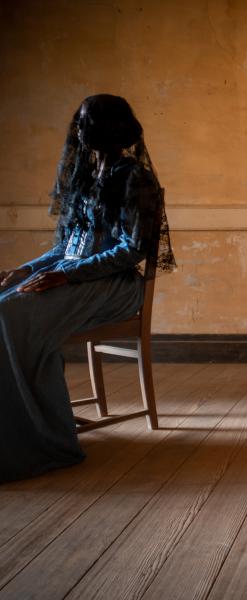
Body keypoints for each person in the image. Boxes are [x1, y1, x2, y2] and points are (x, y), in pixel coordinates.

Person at [0, 94, 176, 482]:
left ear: (109, 128)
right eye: (78, 122)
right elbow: (66, 248)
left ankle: (40, 435)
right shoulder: (85, 178)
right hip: (75, 274)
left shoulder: (135, 178)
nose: (78, 130)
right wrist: (23, 269)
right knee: (4, 300)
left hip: (115, 285)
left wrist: (66, 276)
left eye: (86, 122)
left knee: (11, 315)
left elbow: (131, 250)